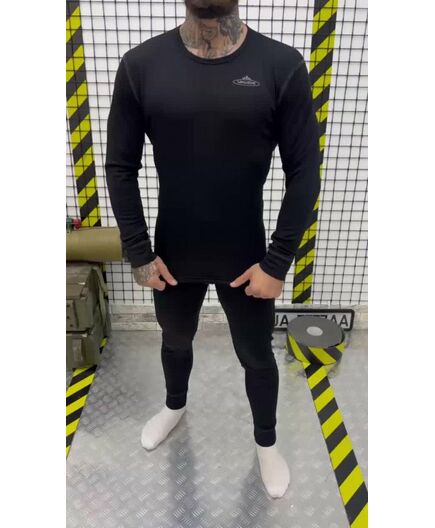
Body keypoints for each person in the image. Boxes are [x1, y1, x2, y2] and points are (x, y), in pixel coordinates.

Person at [105, 0, 321, 499]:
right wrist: (138, 251)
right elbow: (120, 165)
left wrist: (277, 260)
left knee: (256, 354)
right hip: (172, 256)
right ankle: (174, 405)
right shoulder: (142, 66)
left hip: (247, 259)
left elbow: (304, 169)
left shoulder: (280, 65)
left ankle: (266, 443)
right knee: (175, 337)